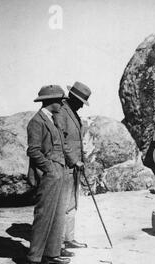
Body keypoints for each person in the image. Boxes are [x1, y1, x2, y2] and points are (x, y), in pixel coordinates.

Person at [24, 85, 72, 264]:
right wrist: (49, 168)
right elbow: (33, 150)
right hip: (49, 173)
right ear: (50, 101)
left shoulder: (53, 119)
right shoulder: (37, 121)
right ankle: (32, 258)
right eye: (60, 99)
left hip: (59, 171)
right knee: (44, 215)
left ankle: (51, 254)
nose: (62, 102)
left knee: (58, 214)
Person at [55, 81, 91, 249]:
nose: (82, 107)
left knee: (71, 204)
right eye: (81, 103)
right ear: (73, 98)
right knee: (63, 204)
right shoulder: (62, 112)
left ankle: (68, 239)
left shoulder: (73, 112)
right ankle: (59, 242)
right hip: (65, 166)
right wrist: (73, 160)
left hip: (74, 167)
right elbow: (61, 140)